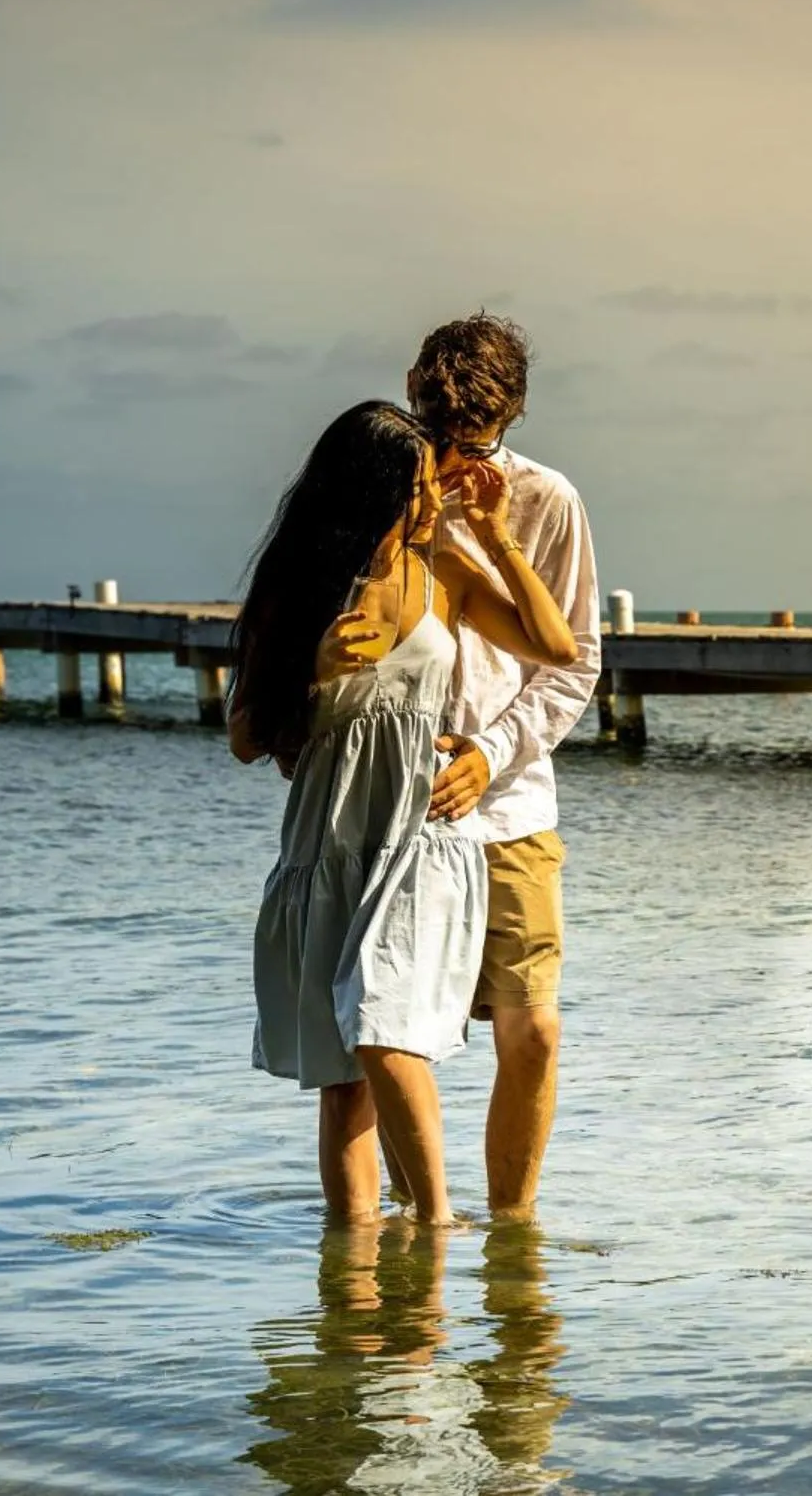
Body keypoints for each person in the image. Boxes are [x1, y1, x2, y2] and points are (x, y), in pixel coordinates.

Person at [227, 400, 578, 1226]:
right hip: (329, 833)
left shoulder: (443, 570)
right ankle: (350, 1287)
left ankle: (435, 1231)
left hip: (420, 831)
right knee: (340, 1069)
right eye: (419, 486)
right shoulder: (297, 587)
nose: (433, 500)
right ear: (371, 493)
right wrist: (309, 669)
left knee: (383, 1026)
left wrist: (496, 537)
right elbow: (246, 736)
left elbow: (556, 647)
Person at [407, 315, 602, 1222]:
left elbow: (575, 660)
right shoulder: (385, 485)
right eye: (446, 434)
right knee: (386, 1034)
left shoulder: (548, 497)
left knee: (534, 1031)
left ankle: (513, 1238)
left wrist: (490, 753)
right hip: (394, 799)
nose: (461, 454)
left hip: (511, 803)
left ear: (512, 415)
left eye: (479, 436)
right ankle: (414, 1228)